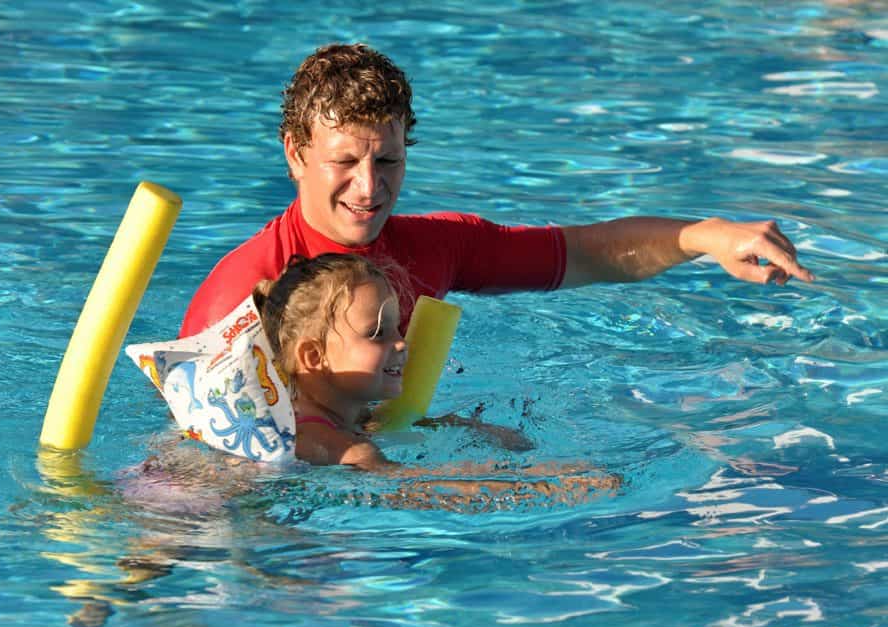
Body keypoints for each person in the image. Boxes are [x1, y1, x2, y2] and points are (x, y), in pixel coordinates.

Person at [180, 43, 815, 338]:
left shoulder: (434, 249)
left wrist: (707, 236)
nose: (370, 188)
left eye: (390, 161)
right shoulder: (245, 292)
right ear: (296, 154)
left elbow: (583, 253)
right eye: (344, 161)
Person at [251, 252, 617, 511]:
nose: (400, 343)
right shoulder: (337, 446)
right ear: (314, 357)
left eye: (397, 327)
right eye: (377, 333)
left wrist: (464, 427)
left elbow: (380, 427)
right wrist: (544, 485)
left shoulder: (341, 418)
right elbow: (416, 490)